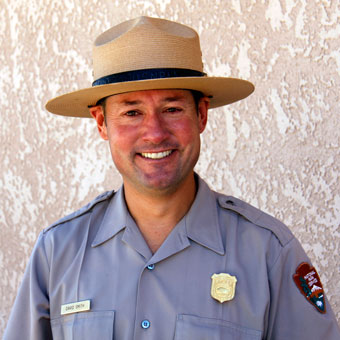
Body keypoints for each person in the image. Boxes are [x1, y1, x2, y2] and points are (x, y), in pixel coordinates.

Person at [4, 16, 340, 340]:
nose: (154, 133)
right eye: (132, 112)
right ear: (101, 123)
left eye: (172, 109)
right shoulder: (58, 252)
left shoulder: (268, 252)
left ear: (202, 114)